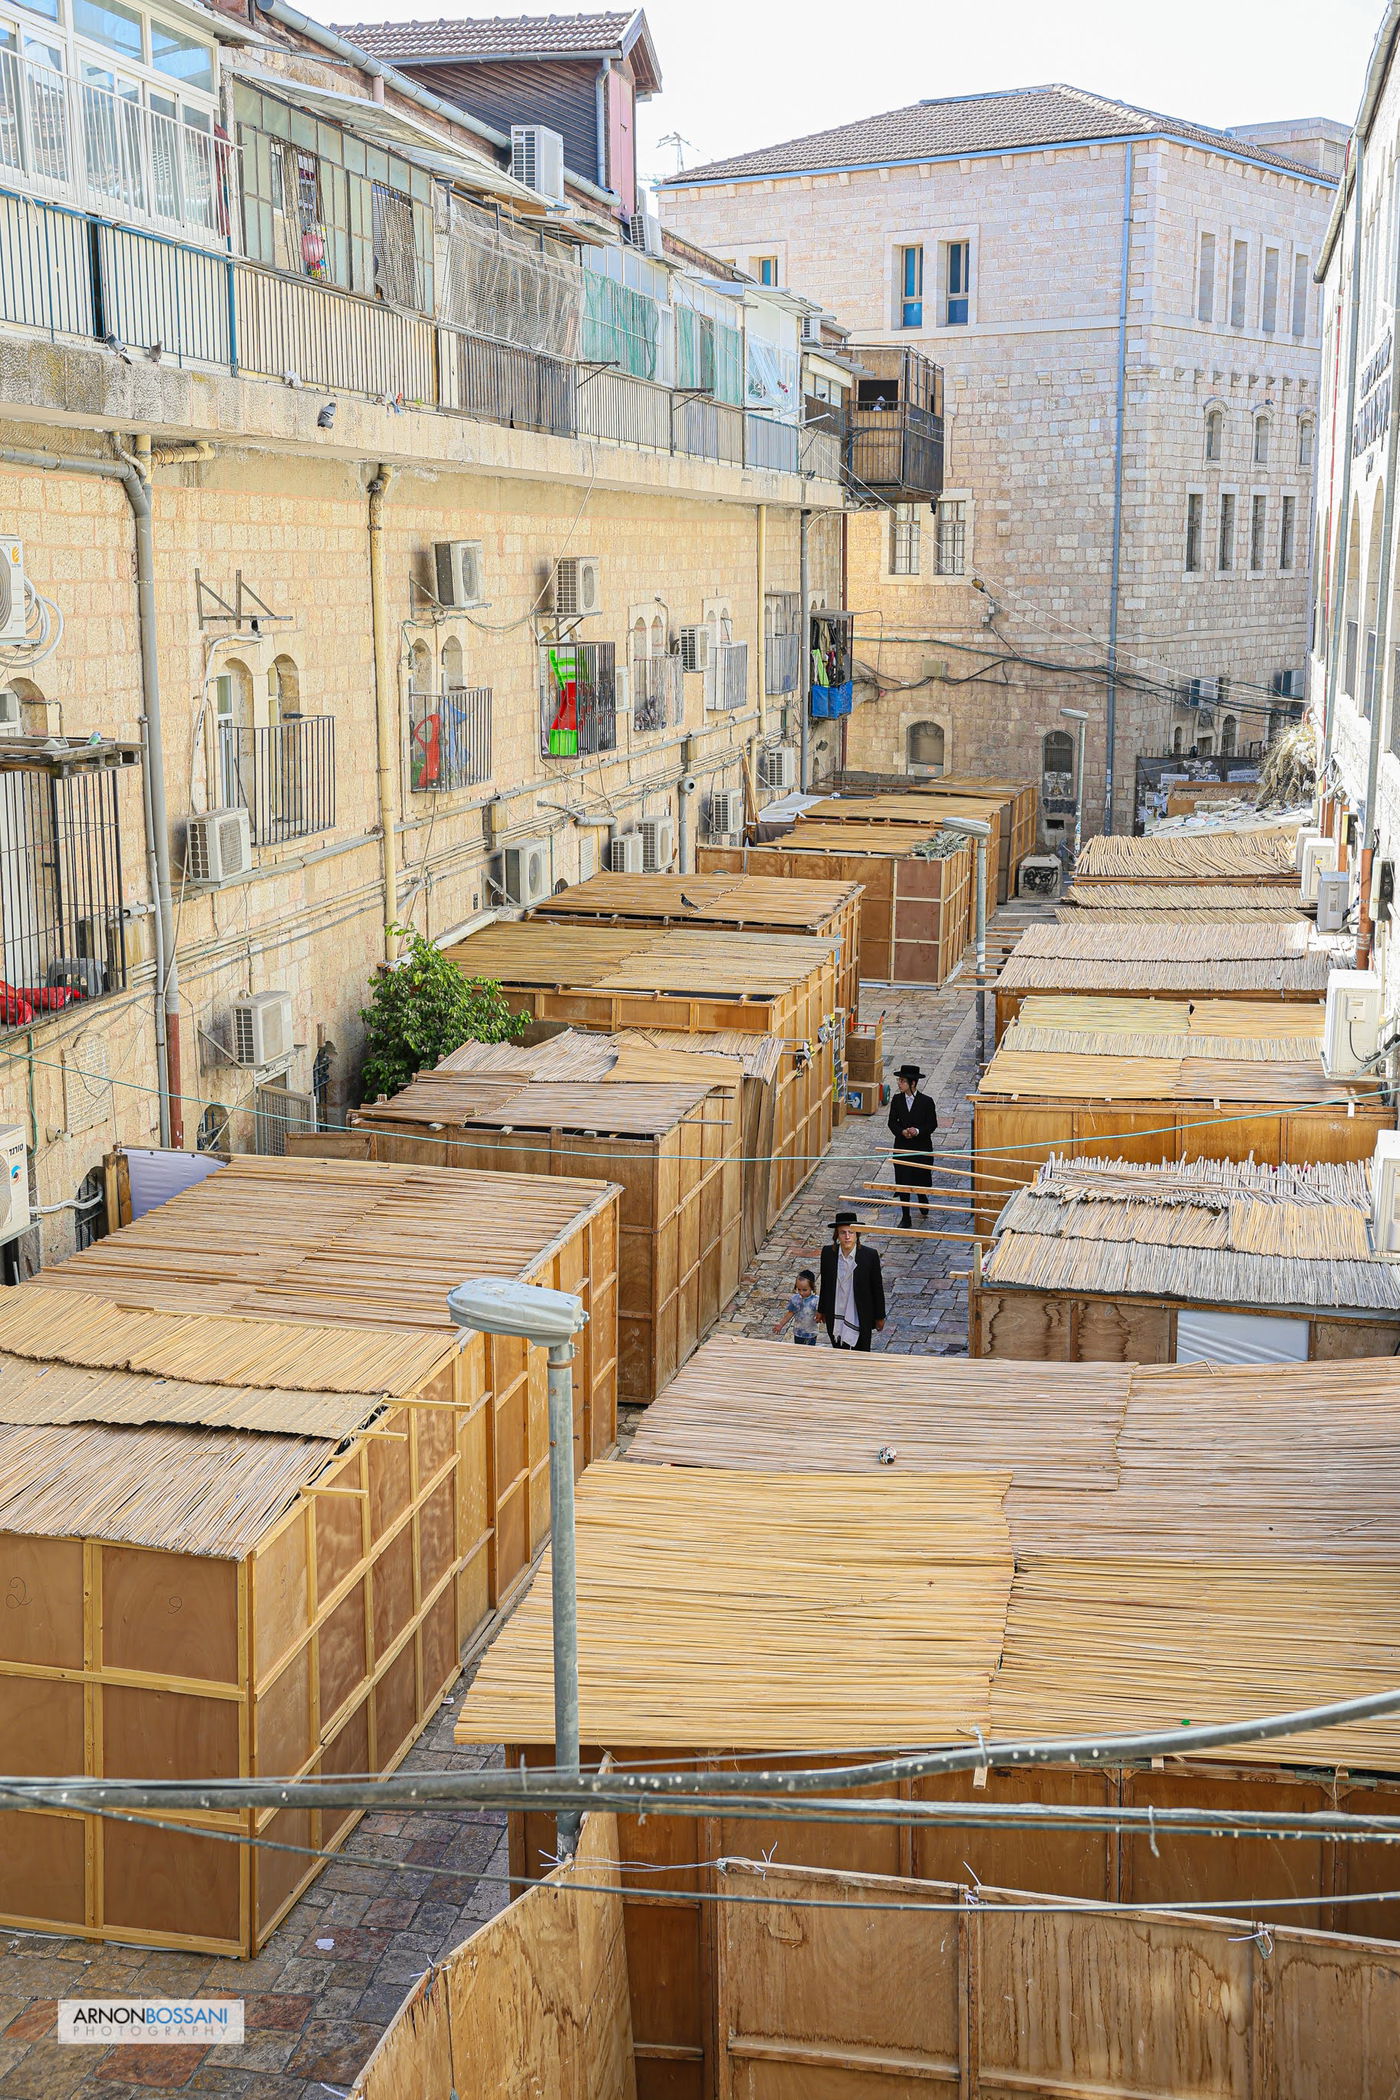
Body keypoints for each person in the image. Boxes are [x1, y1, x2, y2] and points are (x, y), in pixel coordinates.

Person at [818, 1212, 886, 1351]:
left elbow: (877, 1288)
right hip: (836, 1310)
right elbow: (825, 1283)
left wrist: (879, 1316)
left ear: (857, 1235)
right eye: (843, 1233)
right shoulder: (828, 1253)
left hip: (860, 1313)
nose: (847, 1236)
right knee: (838, 1351)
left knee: (861, 1353)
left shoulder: (869, 1255)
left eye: (851, 1232)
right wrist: (822, 1310)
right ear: (837, 1235)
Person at [886, 1062, 938, 1228]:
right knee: (904, 1181)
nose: (899, 1083)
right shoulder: (897, 1100)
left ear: (912, 1083)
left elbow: (932, 1124)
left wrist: (917, 1130)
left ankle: (922, 1196)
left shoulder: (926, 1102)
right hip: (902, 1147)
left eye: (902, 1081)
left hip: (921, 1148)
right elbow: (892, 1122)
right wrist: (902, 1132)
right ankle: (906, 1216)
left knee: (921, 1177)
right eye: (899, 1081)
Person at [773, 1268, 820, 1345]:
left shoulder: (816, 1301)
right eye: (799, 1289)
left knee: (808, 1353)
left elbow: (820, 1314)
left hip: (810, 1334)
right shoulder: (795, 1299)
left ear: (812, 1287)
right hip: (798, 1333)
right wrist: (781, 1324)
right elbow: (790, 1313)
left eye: (804, 1290)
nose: (801, 1292)